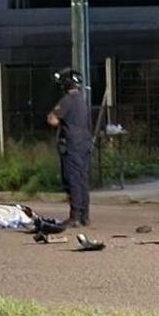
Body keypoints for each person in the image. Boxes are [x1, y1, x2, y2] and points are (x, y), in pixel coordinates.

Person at [47, 67, 92, 227]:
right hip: (84, 143)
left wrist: (52, 115)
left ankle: (75, 216)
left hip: (72, 145)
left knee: (72, 179)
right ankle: (84, 215)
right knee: (82, 179)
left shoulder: (67, 100)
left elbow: (53, 119)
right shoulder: (81, 99)